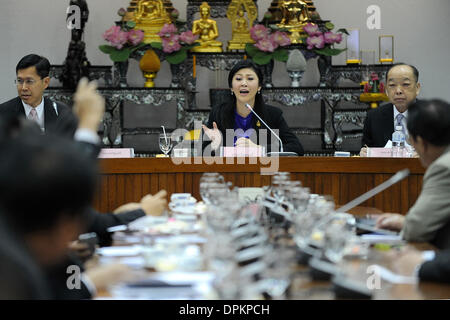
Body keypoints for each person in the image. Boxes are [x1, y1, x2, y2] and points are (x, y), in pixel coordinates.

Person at [375, 99, 450, 249]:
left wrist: (405, 224)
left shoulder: (443, 168)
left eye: (411, 140)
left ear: (421, 142)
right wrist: (403, 221)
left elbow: (415, 230)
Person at [202, 60, 304, 156]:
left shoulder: (273, 115)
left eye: (250, 78)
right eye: (238, 79)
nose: (244, 83)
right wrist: (214, 146)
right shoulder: (219, 113)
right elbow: (203, 151)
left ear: (259, 86)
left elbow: (296, 148)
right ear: (231, 87)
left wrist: (260, 149)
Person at [0, 54, 77, 137]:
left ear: (45, 82)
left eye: (29, 81)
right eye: (20, 81)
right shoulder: (3, 113)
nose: (24, 88)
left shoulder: (61, 113)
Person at [360, 63, 421, 155]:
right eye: (392, 85)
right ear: (386, 90)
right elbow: (367, 147)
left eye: (405, 84)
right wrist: (365, 153)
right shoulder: (374, 117)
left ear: (417, 88)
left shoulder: (431, 116)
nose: (398, 91)